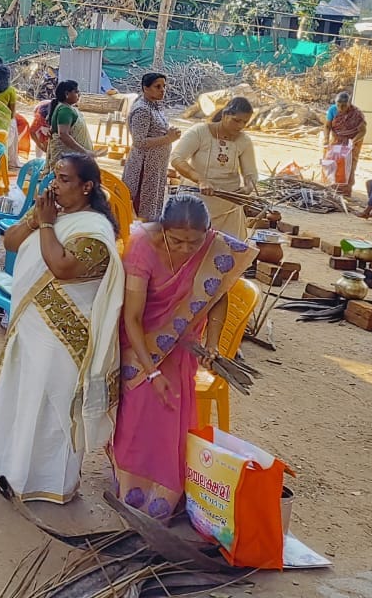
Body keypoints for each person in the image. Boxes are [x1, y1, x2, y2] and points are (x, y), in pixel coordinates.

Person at [0, 153, 125, 504]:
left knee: (49, 407)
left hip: (63, 337)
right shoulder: (52, 212)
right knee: (21, 397)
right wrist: (36, 220)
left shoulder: (95, 230)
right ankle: (7, 471)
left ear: (87, 186)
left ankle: (48, 484)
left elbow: (62, 267)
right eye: (54, 177)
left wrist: (46, 225)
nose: (54, 185)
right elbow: (10, 242)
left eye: (64, 179)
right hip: (29, 328)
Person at [110, 194, 257, 520]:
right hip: (138, 343)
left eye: (195, 242)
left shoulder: (213, 247)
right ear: (162, 230)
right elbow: (132, 318)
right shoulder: (142, 247)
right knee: (139, 412)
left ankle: (164, 494)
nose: (187, 249)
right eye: (177, 241)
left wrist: (214, 343)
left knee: (172, 413)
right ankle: (131, 488)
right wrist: (151, 372)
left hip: (181, 345)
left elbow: (218, 294)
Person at [170, 97, 257, 238]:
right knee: (190, 245)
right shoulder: (199, 132)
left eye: (244, 122)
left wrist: (248, 187)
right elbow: (176, 158)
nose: (240, 126)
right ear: (224, 115)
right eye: (236, 120)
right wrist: (200, 180)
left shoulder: (244, 141)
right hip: (196, 201)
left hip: (229, 206)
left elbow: (250, 173)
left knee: (228, 252)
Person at [122, 72, 182, 221]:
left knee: (153, 202)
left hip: (156, 167)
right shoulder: (142, 109)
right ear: (145, 88)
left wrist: (168, 134)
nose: (162, 90)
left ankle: (147, 233)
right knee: (141, 205)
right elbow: (139, 141)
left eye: (164, 86)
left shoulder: (155, 106)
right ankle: (138, 237)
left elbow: (155, 131)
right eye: (157, 87)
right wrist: (168, 138)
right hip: (144, 167)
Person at [323, 91, 367, 195]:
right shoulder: (332, 110)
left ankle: (345, 190)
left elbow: (362, 131)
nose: (341, 108)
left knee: (349, 164)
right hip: (337, 139)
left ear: (349, 104)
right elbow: (327, 126)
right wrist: (326, 138)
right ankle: (331, 186)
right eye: (338, 105)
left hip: (352, 141)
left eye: (344, 106)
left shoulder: (356, 113)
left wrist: (352, 142)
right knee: (332, 161)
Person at [45, 80, 95, 165]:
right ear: (67, 94)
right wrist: (84, 152)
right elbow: (63, 135)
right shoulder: (65, 110)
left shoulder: (65, 108)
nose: (79, 94)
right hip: (69, 159)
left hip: (71, 158)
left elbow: (55, 129)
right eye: (76, 91)